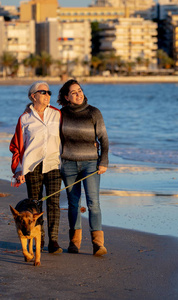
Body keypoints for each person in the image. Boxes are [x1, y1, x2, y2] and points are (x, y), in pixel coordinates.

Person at [9, 81, 63, 254]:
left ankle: (53, 241)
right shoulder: (24, 118)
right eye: (43, 92)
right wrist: (18, 170)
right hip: (32, 167)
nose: (48, 95)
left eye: (49, 92)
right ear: (33, 96)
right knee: (34, 206)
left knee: (54, 203)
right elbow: (16, 146)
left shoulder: (57, 114)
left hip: (54, 164)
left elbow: (68, 136)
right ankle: (39, 240)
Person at [57, 79, 109, 256]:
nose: (78, 94)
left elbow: (104, 139)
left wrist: (104, 162)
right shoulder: (61, 114)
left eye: (79, 91)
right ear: (66, 97)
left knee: (93, 203)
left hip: (91, 164)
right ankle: (74, 242)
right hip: (68, 163)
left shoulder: (94, 112)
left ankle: (98, 244)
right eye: (73, 92)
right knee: (73, 203)